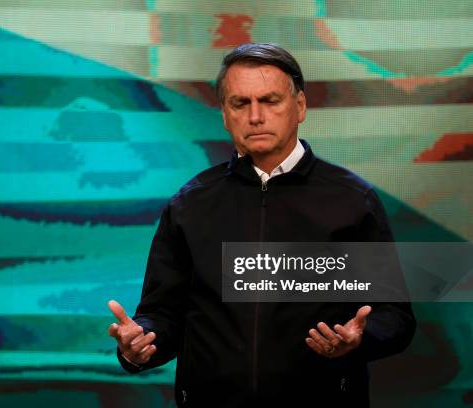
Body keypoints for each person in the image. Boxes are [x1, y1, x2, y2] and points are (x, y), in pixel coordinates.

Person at [107, 43, 416, 407]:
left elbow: (394, 316)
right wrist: (141, 343)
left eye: (270, 101)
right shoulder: (190, 204)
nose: (255, 116)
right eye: (240, 103)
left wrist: (360, 339)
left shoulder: (352, 200)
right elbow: (164, 315)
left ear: (299, 106)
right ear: (225, 114)